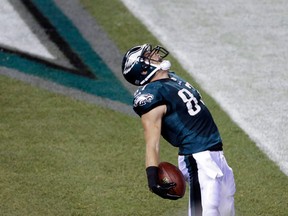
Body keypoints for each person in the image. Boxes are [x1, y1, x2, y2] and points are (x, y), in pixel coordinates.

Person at [121, 44, 236, 216]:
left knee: (225, 212)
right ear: (143, 70)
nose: (153, 53)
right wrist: (152, 179)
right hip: (198, 158)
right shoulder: (151, 96)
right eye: (147, 55)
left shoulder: (172, 78)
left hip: (215, 153)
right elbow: (152, 143)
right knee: (206, 212)